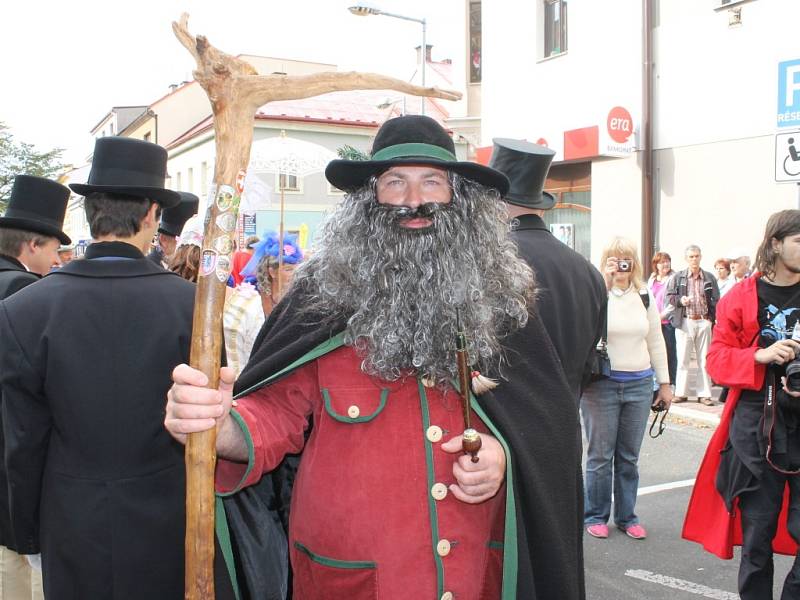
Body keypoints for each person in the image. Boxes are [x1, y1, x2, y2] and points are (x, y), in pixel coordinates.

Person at [165, 115, 585, 600]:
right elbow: (274, 415)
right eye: (394, 182)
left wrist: (503, 460)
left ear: (459, 197)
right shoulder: (320, 299)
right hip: (351, 581)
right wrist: (221, 426)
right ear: (369, 198)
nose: (414, 200)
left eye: (432, 181)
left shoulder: (503, 301)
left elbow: (541, 434)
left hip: (476, 577)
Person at [0, 137, 195, 599]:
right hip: (168, 513)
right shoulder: (192, 306)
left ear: (90, 212)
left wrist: (26, 532)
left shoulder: (25, 309)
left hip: (70, 516)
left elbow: (22, 441)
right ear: (151, 214)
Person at [683, 210, 800, 599]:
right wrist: (758, 357)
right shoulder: (741, 296)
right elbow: (716, 360)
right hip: (757, 431)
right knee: (756, 541)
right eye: (799, 240)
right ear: (775, 244)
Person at [489, 138, 606, 401]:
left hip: (505, 427)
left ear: (493, 203)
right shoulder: (588, 271)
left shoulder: (491, 261)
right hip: (566, 423)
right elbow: (589, 361)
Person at [0, 174, 70, 600]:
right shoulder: (22, 291)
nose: (57, 260)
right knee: (18, 578)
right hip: (10, 455)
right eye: (54, 249)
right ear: (31, 246)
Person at [582, 237, 672, 541]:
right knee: (599, 456)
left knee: (629, 457)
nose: (621, 265)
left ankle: (626, 516)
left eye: (626, 259)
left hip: (639, 385)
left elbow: (656, 341)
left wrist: (665, 383)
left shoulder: (644, 295)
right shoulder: (595, 293)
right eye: (614, 259)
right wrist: (603, 285)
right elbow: (583, 326)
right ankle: (595, 515)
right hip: (602, 384)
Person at [222, 232, 303, 376]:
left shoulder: (292, 301)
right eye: (288, 269)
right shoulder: (249, 304)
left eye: (296, 268)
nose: (294, 274)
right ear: (272, 271)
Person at [666, 245, 720, 406]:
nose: (694, 259)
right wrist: (680, 301)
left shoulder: (709, 277)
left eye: (696, 256)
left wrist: (711, 319)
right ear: (686, 259)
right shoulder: (678, 277)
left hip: (703, 320)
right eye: (691, 257)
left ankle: (704, 394)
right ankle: (681, 392)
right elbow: (669, 296)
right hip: (685, 320)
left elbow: (716, 298)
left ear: (701, 257)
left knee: (704, 359)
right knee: (682, 358)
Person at [146, 191, 199, 268]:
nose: (193, 252)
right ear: (164, 240)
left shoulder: (193, 269)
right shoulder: (148, 272)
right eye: (184, 244)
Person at [648, 251, 677, 385]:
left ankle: (671, 382)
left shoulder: (674, 278)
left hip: (667, 321)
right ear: (656, 265)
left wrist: (661, 316)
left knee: (669, 352)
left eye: (667, 261)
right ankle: (655, 382)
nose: (665, 264)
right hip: (653, 321)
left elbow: (673, 302)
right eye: (662, 262)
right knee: (653, 352)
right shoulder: (652, 279)